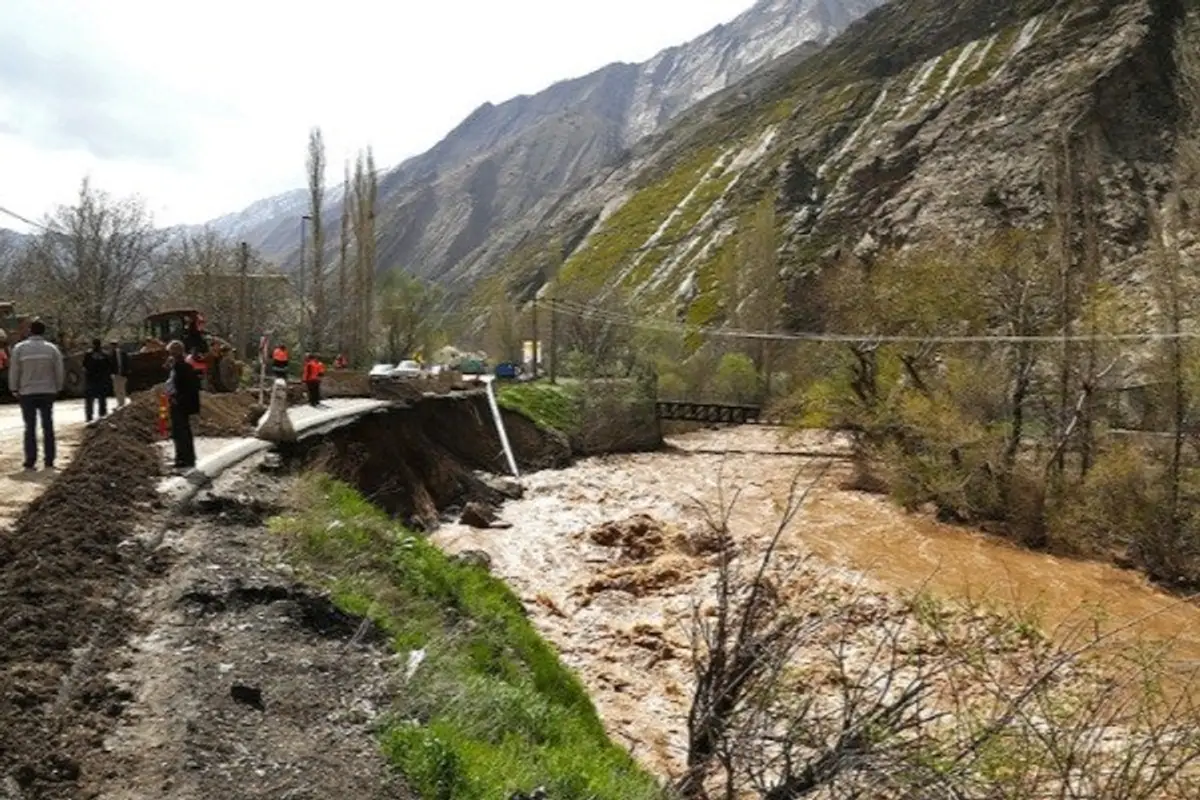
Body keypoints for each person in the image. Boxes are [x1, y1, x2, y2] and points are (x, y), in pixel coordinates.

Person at [8, 319, 64, 471]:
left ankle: (30, 461)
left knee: (30, 427)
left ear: (30, 331)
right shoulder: (52, 349)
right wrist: (58, 387)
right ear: (44, 332)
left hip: (27, 392)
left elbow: (15, 370)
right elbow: (59, 370)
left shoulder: (20, 349)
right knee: (48, 426)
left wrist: (14, 388)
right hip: (48, 391)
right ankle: (49, 460)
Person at [166, 340, 201, 470]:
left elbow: (186, 388)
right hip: (179, 402)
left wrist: (177, 399)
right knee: (180, 432)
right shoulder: (178, 366)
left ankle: (184, 459)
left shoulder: (183, 367)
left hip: (180, 404)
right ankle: (182, 457)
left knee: (181, 432)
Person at [82, 338, 112, 421]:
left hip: (91, 380)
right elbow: (109, 368)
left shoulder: (88, 354)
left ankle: (89, 416)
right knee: (102, 399)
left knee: (89, 400)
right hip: (101, 380)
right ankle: (102, 415)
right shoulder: (105, 355)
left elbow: (84, 367)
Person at [110, 340, 130, 407]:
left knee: (122, 388)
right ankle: (119, 402)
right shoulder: (111, 354)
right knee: (116, 389)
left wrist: (127, 372)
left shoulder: (123, 353)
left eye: (114, 345)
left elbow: (127, 363)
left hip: (122, 373)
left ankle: (122, 402)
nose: (113, 346)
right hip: (115, 374)